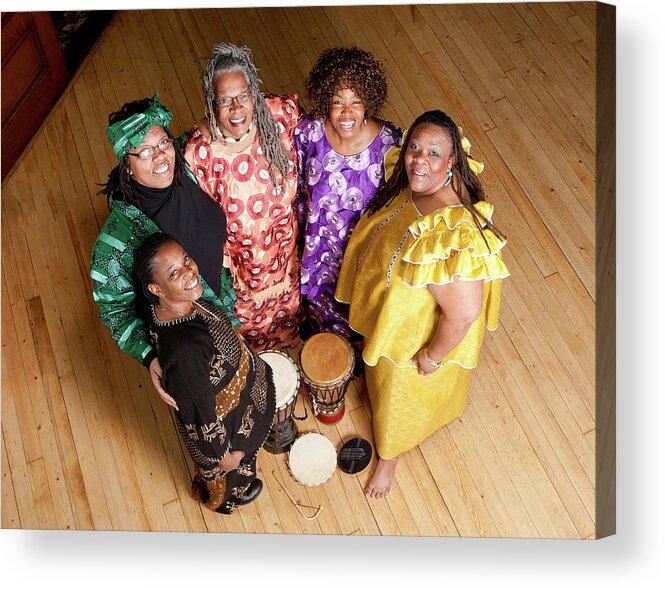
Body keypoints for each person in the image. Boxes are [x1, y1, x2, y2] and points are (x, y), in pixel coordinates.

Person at [336, 110, 510, 499]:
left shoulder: (449, 235)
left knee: (399, 397)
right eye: (415, 146)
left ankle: (390, 455)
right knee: (377, 375)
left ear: (452, 163)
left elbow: (464, 312)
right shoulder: (416, 182)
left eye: (433, 153)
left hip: (413, 345)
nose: (418, 159)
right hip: (394, 317)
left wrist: (431, 357)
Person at [90, 94, 238, 410]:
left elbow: (205, 129)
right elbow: (114, 311)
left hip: (231, 298)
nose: (160, 157)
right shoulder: (116, 243)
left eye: (162, 144)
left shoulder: (186, 164)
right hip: (193, 336)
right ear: (126, 168)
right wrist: (148, 356)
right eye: (144, 152)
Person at [133, 233, 276, 514]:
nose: (189, 271)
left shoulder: (166, 307)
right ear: (157, 289)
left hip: (231, 402)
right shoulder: (184, 352)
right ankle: (227, 498)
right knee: (233, 473)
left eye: (185, 259)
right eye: (174, 273)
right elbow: (201, 418)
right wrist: (223, 457)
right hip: (226, 433)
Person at [185, 42, 302, 352]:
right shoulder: (200, 154)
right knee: (253, 337)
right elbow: (203, 223)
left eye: (243, 96)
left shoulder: (279, 117)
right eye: (225, 101)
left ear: (255, 94)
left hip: (288, 253)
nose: (236, 109)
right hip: (244, 271)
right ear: (212, 103)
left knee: (292, 318)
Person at [294, 46, 402, 358]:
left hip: (361, 251)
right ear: (325, 99)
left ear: (369, 100)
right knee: (321, 309)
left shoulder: (389, 141)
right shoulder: (309, 132)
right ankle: (326, 345)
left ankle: (355, 355)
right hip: (319, 248)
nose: (347, 113)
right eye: (338, 102)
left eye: (356, 101)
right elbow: (298, 188)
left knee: (358, 304)